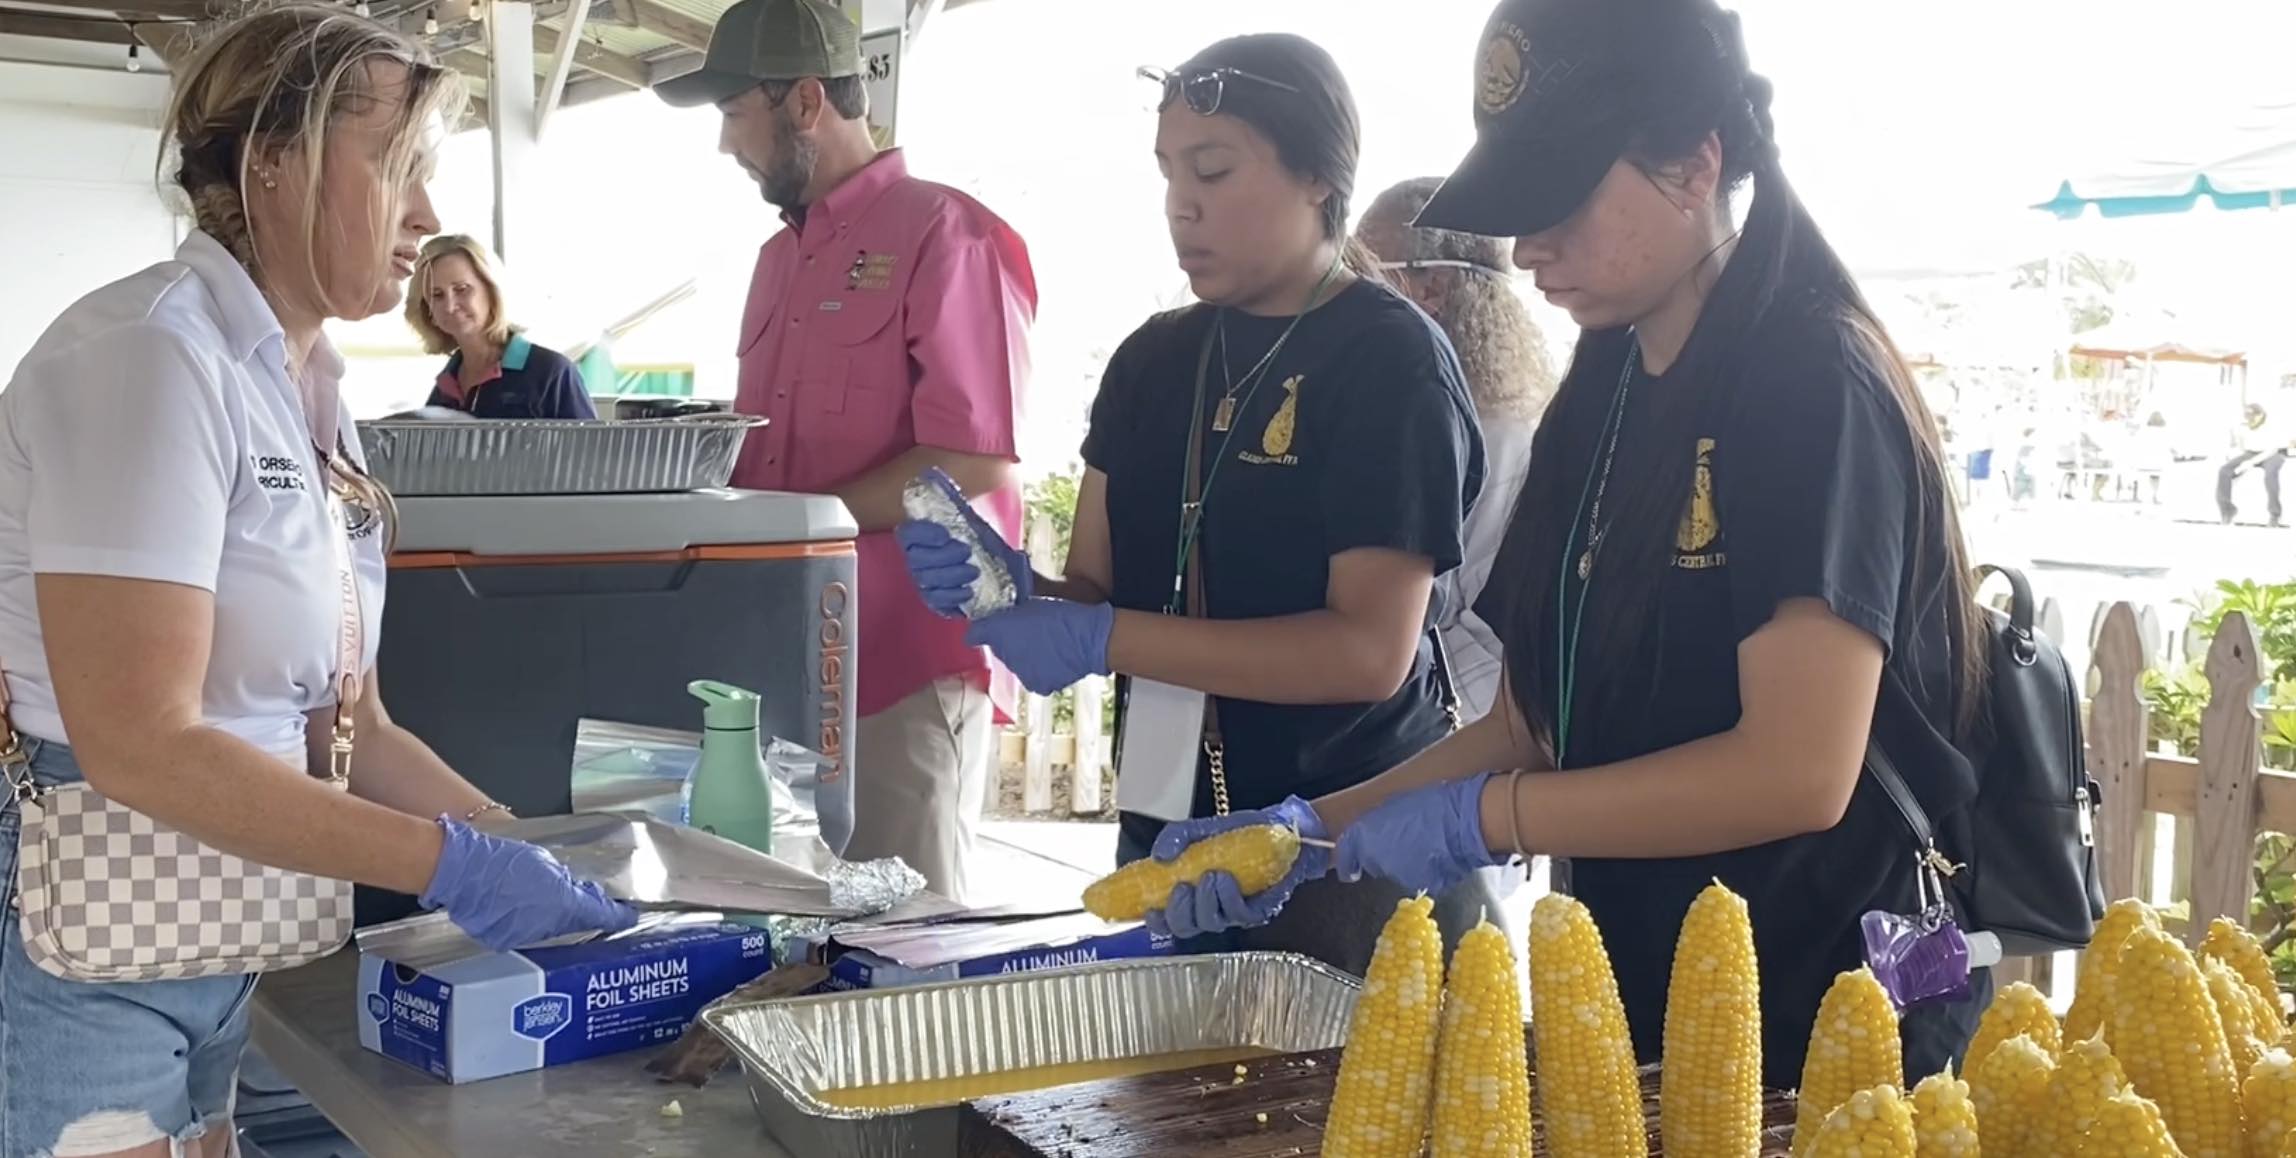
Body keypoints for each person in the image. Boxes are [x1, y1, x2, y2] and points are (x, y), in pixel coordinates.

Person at [1146, 0, 1992, 1087]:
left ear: (1694, 165)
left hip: (1824, 1006)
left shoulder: (1809, 383)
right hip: (1642, 986)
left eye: (1561, 200)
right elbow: (1533, 720)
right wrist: (1308, 833)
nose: (1526, 245)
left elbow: (1797, 771)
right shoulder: (1603, 383)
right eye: (1515, 207)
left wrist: (1486, 820)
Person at [0, 11, 634, 1155]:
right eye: (399, 163)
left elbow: (354, 722)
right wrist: (451, 866)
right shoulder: (149, 356)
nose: (431, 215)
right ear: (272, 160)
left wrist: (513, 838)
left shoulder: (312, 389)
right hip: (78, 930)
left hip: (225, 928)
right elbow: (137, 743)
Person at [898, 34, 1495, 972]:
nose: (1182, 204)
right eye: (1169, 173)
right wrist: (1011, 592)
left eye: (1213, 170)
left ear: (1317, 179)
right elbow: (1099, 588)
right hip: (1168, 837)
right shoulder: (1152, 361)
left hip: (1343, 848)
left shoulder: (1390, 361)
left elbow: (1367, 651)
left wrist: (1103, 638)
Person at [657, 0, 1033, 903]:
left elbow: (974, 460)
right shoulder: (775, 263)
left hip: (908, 658)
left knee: (911, 941)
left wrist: (793, 524)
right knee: (796, 930)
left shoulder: (949, 232)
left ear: (806, 101)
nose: (725, 145)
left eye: (733, 112)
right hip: (787, 663)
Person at [1355, 177, 1558, 722]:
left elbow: (1489, 635)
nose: (1344, 297)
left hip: (1445, 747)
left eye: (1367, 275)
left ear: (1433, 288)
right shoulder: (1382, 421)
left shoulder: (1504, 440)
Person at [406, 233, 596, 419]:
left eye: (462, 289)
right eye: (437, 295)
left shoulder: (552, 373)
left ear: (492, 290)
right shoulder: (444, 387)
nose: (449, 306)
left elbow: (592, 449)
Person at [2217, 402, 2287, 526]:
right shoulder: (2243, 426)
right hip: (2251, 453)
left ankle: (2275, 514)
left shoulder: (2271, 425)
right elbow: (2241, 447)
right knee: (2224, 471)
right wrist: (2236, 460)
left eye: (2252, 415)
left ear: (2260, 415)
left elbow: (2272, 449)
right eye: (2247, 415)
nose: (2249, 418)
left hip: (2272, 454)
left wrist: (2250, 462)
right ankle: (2228, 510)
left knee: (2270, 475)